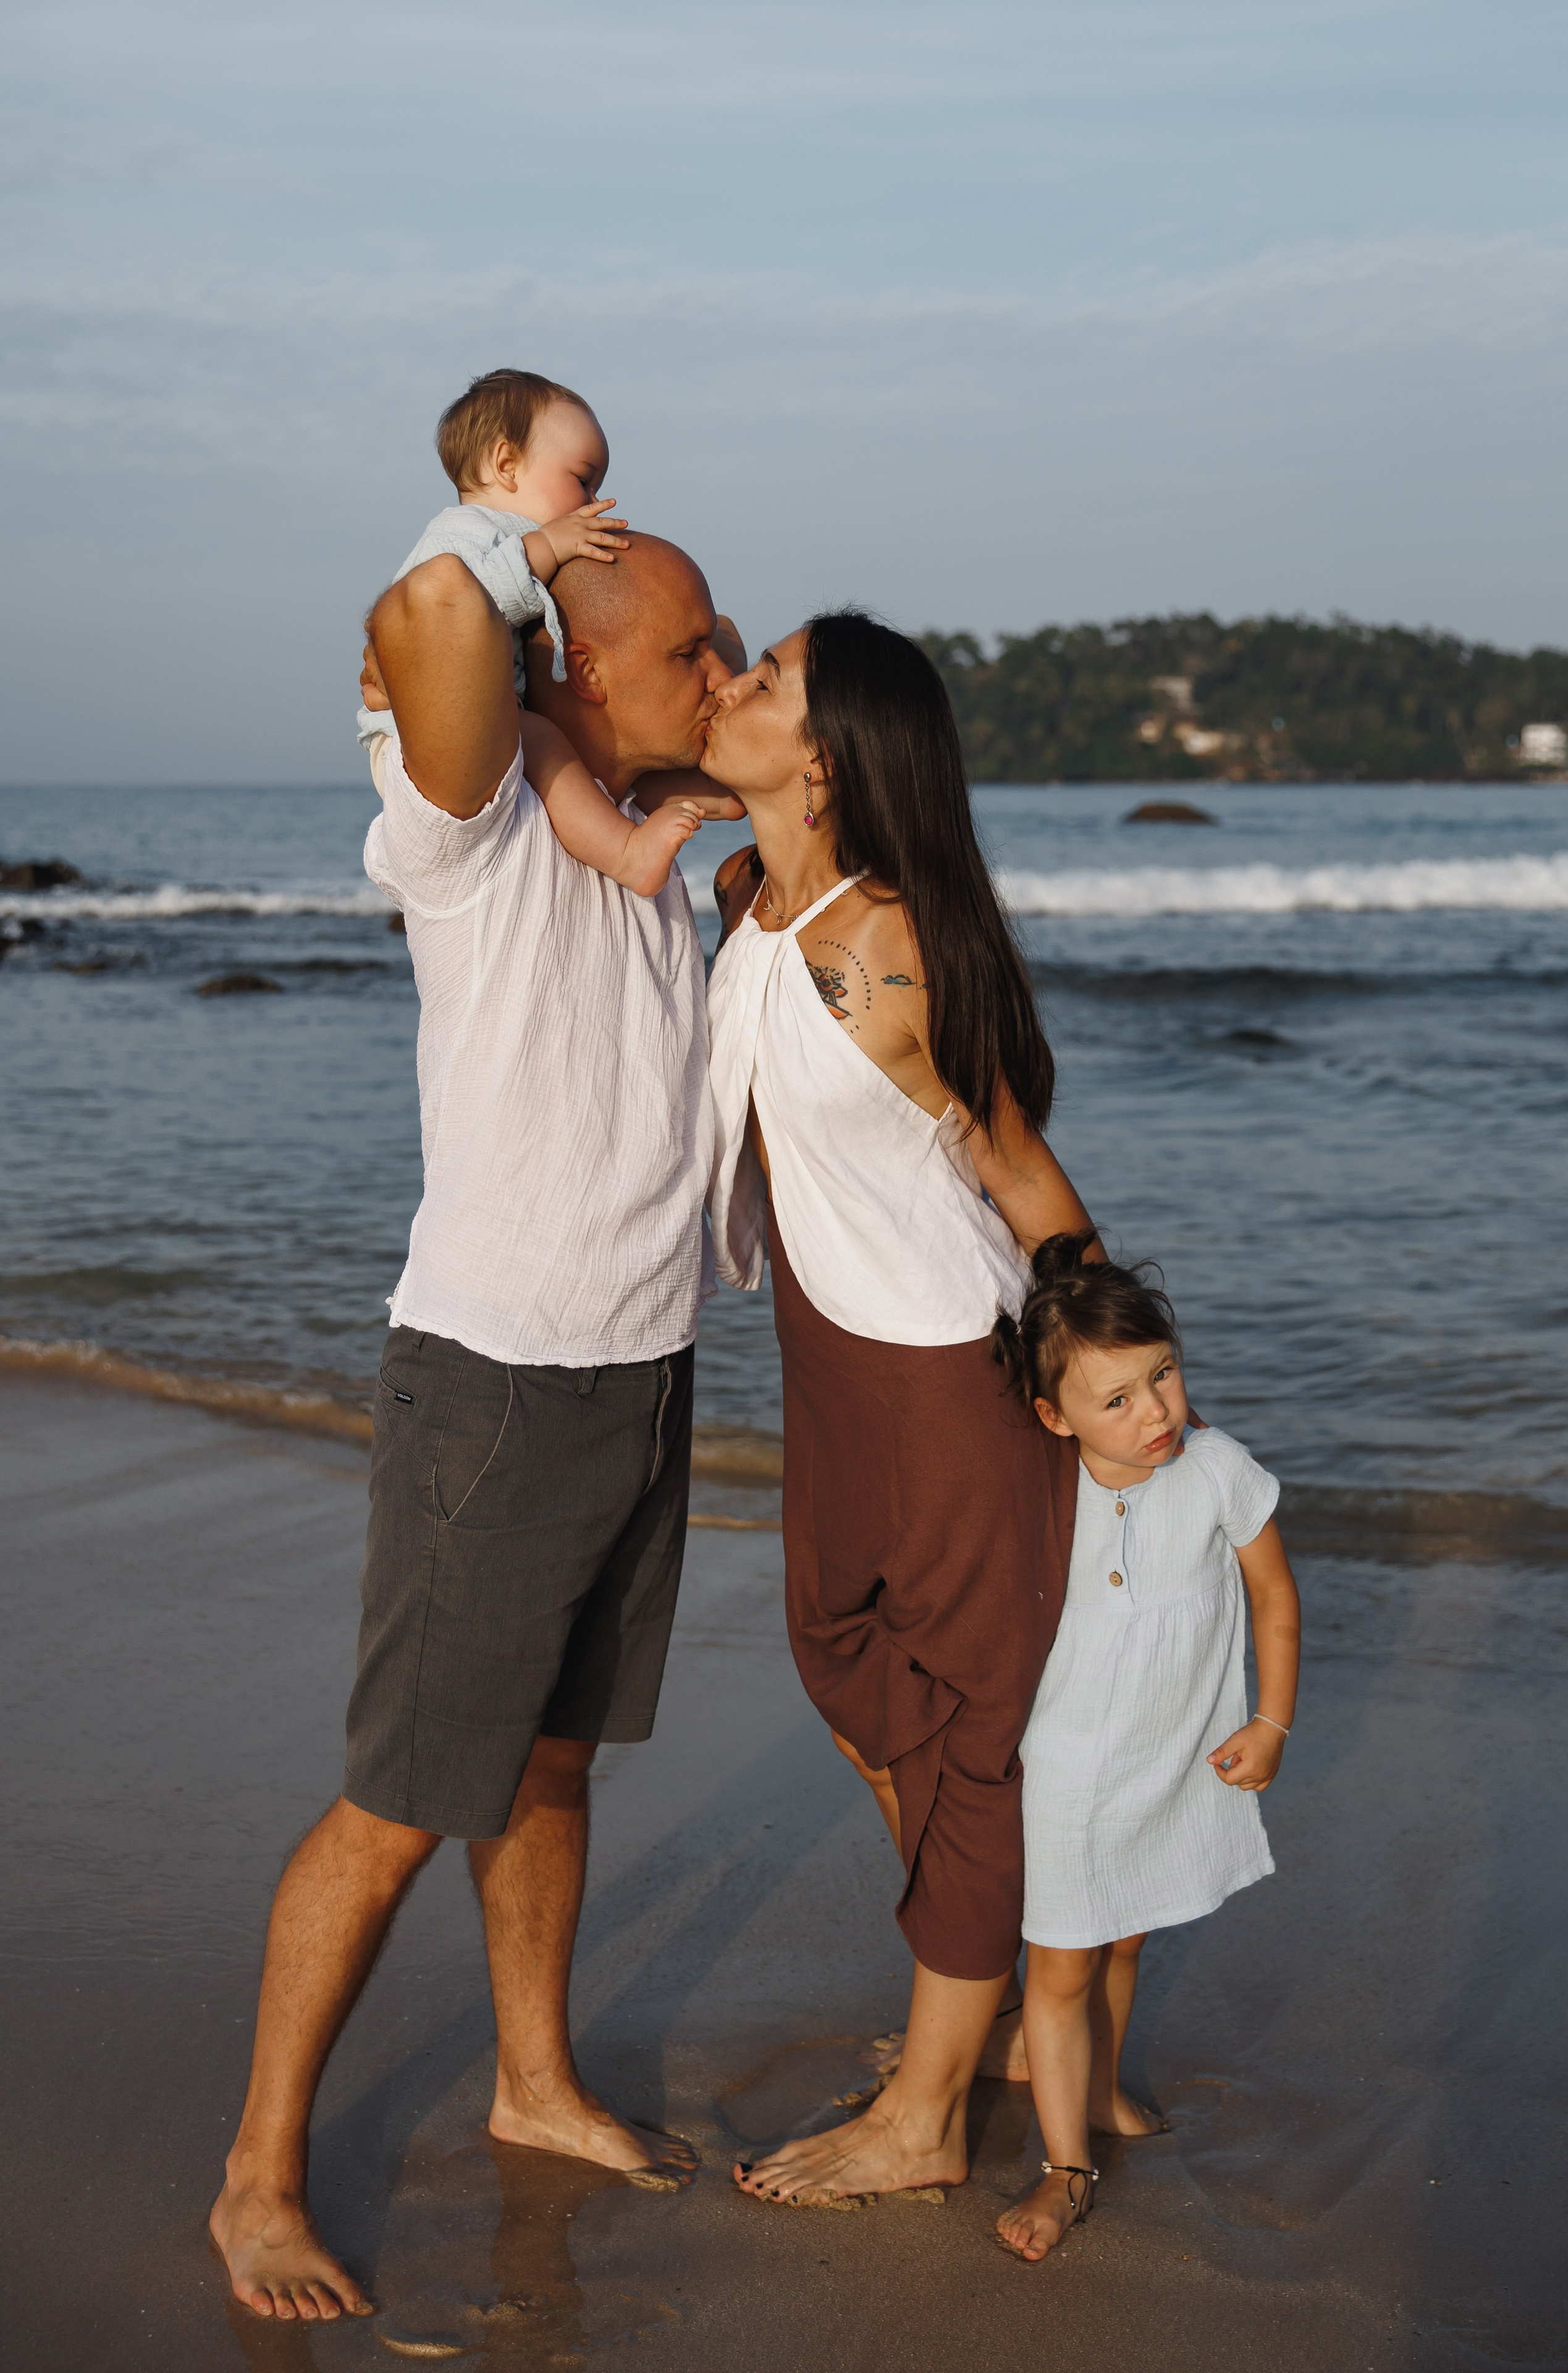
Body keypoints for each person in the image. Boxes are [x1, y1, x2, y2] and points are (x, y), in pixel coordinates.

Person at [209, 531, 743, 2324]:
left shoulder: (636, 843)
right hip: (502, 1379)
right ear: (577, 674)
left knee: (553, 1763)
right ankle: (257, 2177)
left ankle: (532, 2079)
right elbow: (435, 614)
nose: (723, 666)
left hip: (641, 1362)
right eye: (691, 648)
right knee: (400, 1801)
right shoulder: (478, 824)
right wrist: (510, 582)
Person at [702, 609, 1098, 2207]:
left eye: (770, 677)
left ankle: (931, 2113)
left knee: (975, 1738)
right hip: (836, 1374)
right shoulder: (752, 899)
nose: (732, 680)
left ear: (827, 755)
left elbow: (1013, 1165)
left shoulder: (880, 947)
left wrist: (1117, 1372)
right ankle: (993, 1986)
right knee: (848, 1664)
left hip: (952, 1383)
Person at [990, 1234, 1302, 2263]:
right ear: (1054, 1417)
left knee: (1130, 1934)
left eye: (1162, 1374)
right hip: (1071, 1774)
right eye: (1115, 1399)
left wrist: (1271, 1721)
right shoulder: (1043, 1487)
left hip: (1172, 1757)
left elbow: (1274, 1599)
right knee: (1066, 1962)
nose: (1154, 1411)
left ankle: (1105, 2081)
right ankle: (1062, 2166)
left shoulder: (1215, 1469)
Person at [356, 365, 724, 895]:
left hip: (480, 720)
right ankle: (624, 851)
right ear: (506, 464)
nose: (594, 500)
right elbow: (457, 605)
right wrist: (550, 547)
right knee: (544, 739)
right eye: (583, 479)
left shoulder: (507, 537)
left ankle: (686, 791)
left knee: (566, 740)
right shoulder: (460, 539)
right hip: (416, 737)